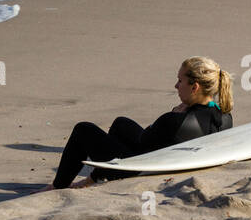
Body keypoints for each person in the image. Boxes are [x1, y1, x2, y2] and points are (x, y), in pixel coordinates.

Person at [46, 57, 233, 190]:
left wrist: (173, 113)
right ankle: (95, 177)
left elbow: (145, 140)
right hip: (176, 160)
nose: (176, 86)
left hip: (141, 171)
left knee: (83, 129)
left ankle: (58, 185)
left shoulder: (175, 120)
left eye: (180, 80)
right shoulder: (224, 116)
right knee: (121, 123)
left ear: (195, 87)